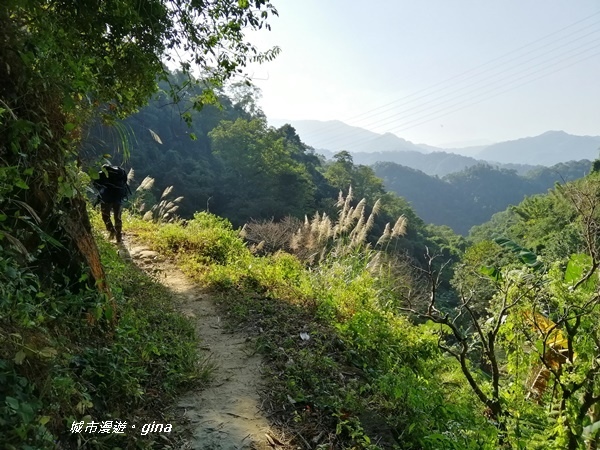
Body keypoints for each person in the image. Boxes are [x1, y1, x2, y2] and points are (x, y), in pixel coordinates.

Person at [93, 165, 130, 243]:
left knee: (105, 216)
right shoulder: (120, 173)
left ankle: (111, 230)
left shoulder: (102, 174)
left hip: (106, 198)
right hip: (118, 198)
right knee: (118, 218)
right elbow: (125, 183)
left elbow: (96, 184)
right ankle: (118, 237)